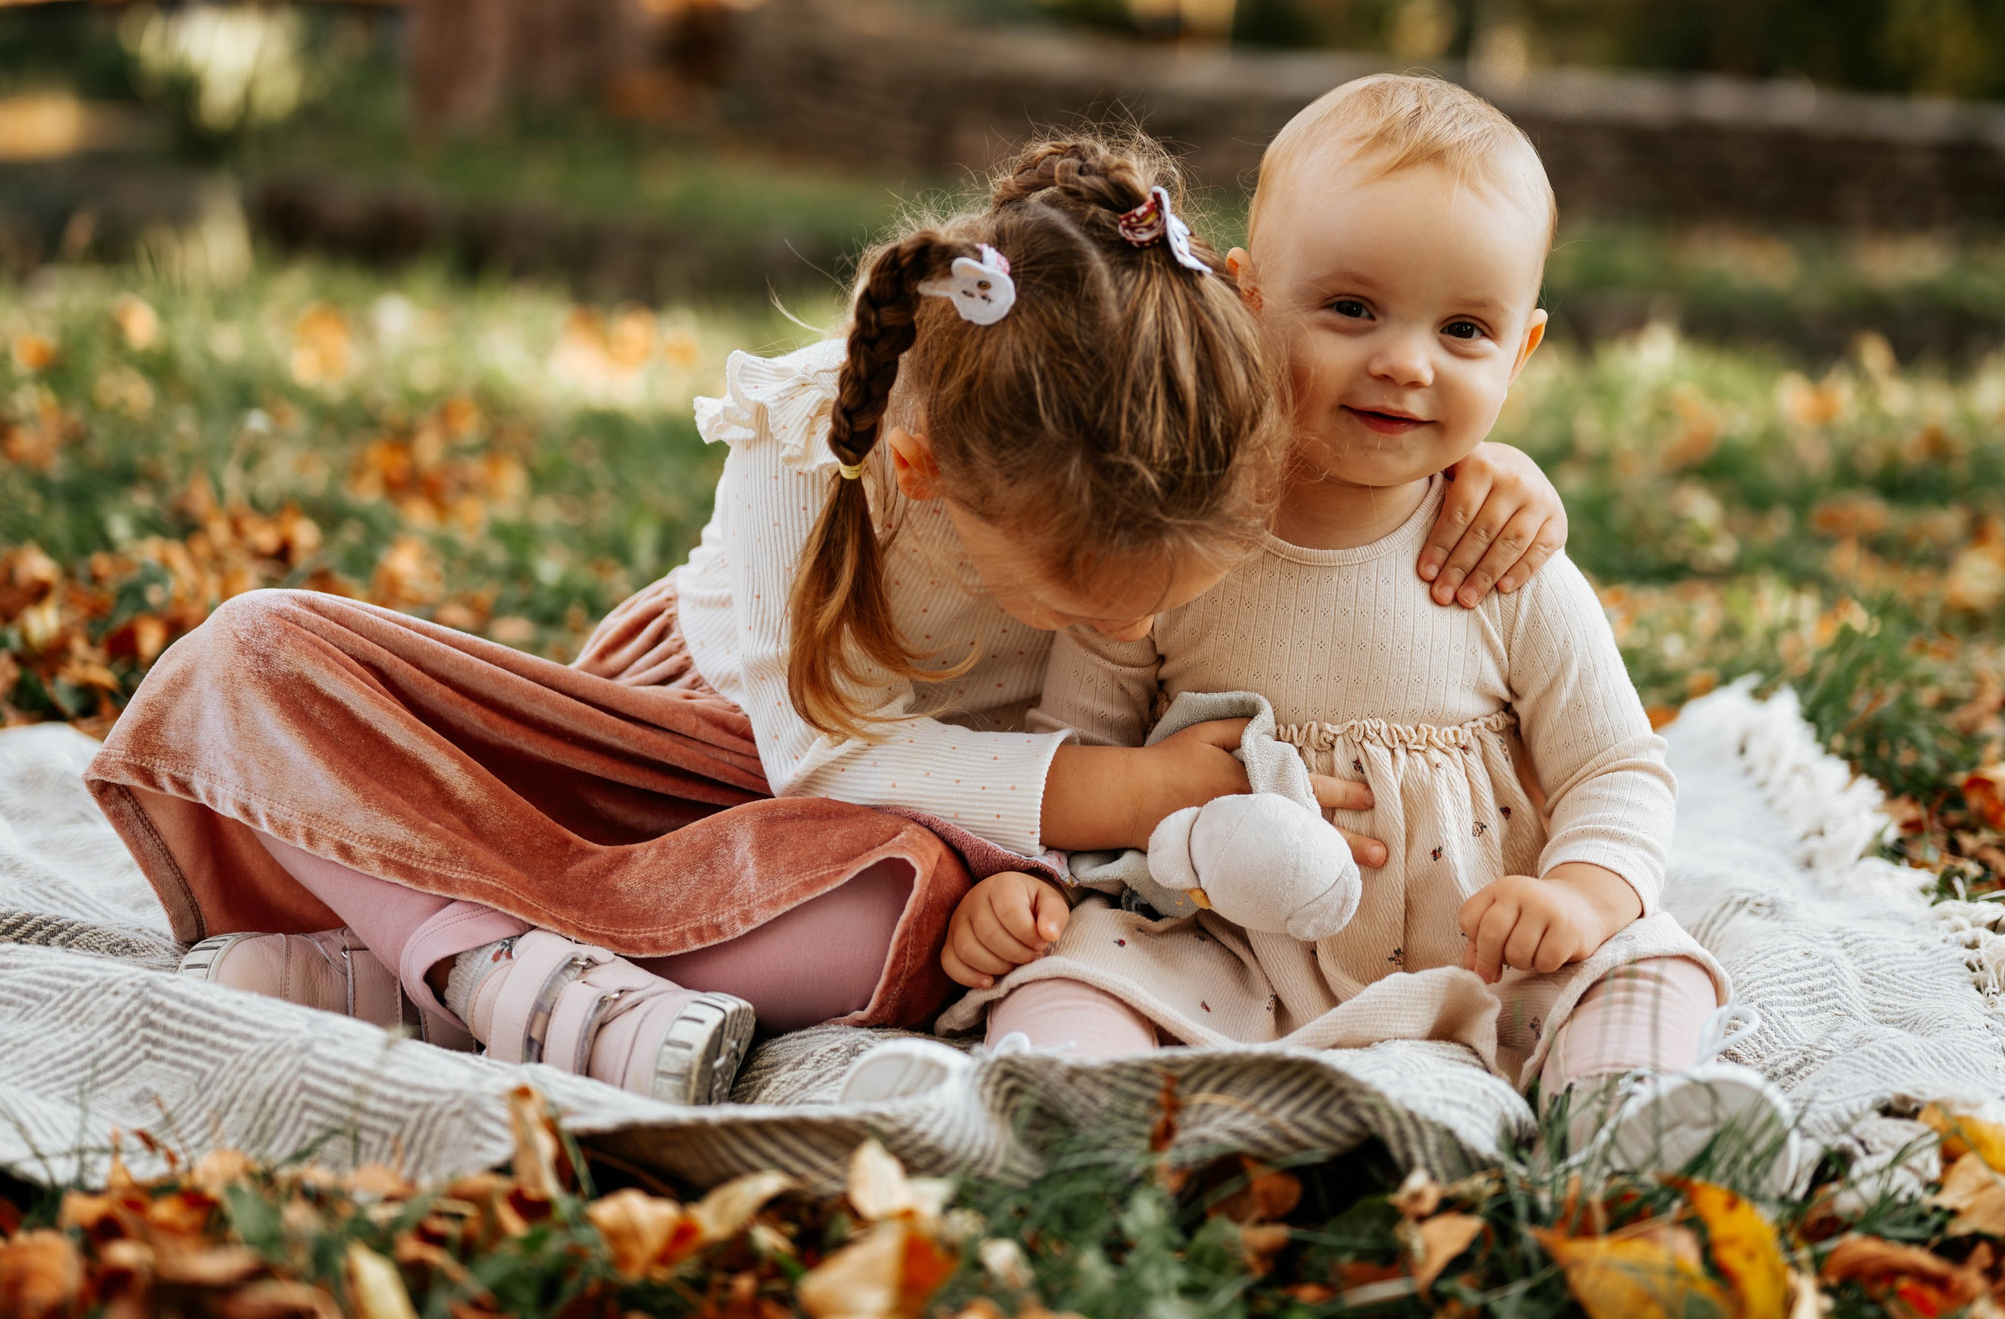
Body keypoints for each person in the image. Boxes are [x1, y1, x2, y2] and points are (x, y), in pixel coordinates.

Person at [89, 131, 1569, 1105]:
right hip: (712, 749)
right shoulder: (809, 451)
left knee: (920, 910)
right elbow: (815, 759)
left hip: (919, 832)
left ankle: (402, 969)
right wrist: (1121, 794)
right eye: (1076, 601)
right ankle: (489, 967)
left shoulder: (1183, 392)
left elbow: (1373, 377)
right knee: (253, 656)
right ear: (930, 474)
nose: (1123, 631)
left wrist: (1485, 465)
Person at [893, 79, 1801, 1187]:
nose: (1407, 361)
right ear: (1248, 296)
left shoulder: (1504, 556)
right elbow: (1076, 750)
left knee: (1650, 958)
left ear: (1521, 354)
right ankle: (1080, 1110)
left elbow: (1615, 765)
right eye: (1351, 309)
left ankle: (1623, 1118)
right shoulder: (1173, 532)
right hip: (1228, 941)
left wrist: (1577, 897)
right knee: (1072, 974)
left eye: (1464, 329)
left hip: (1479, 942)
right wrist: (1027, 884)